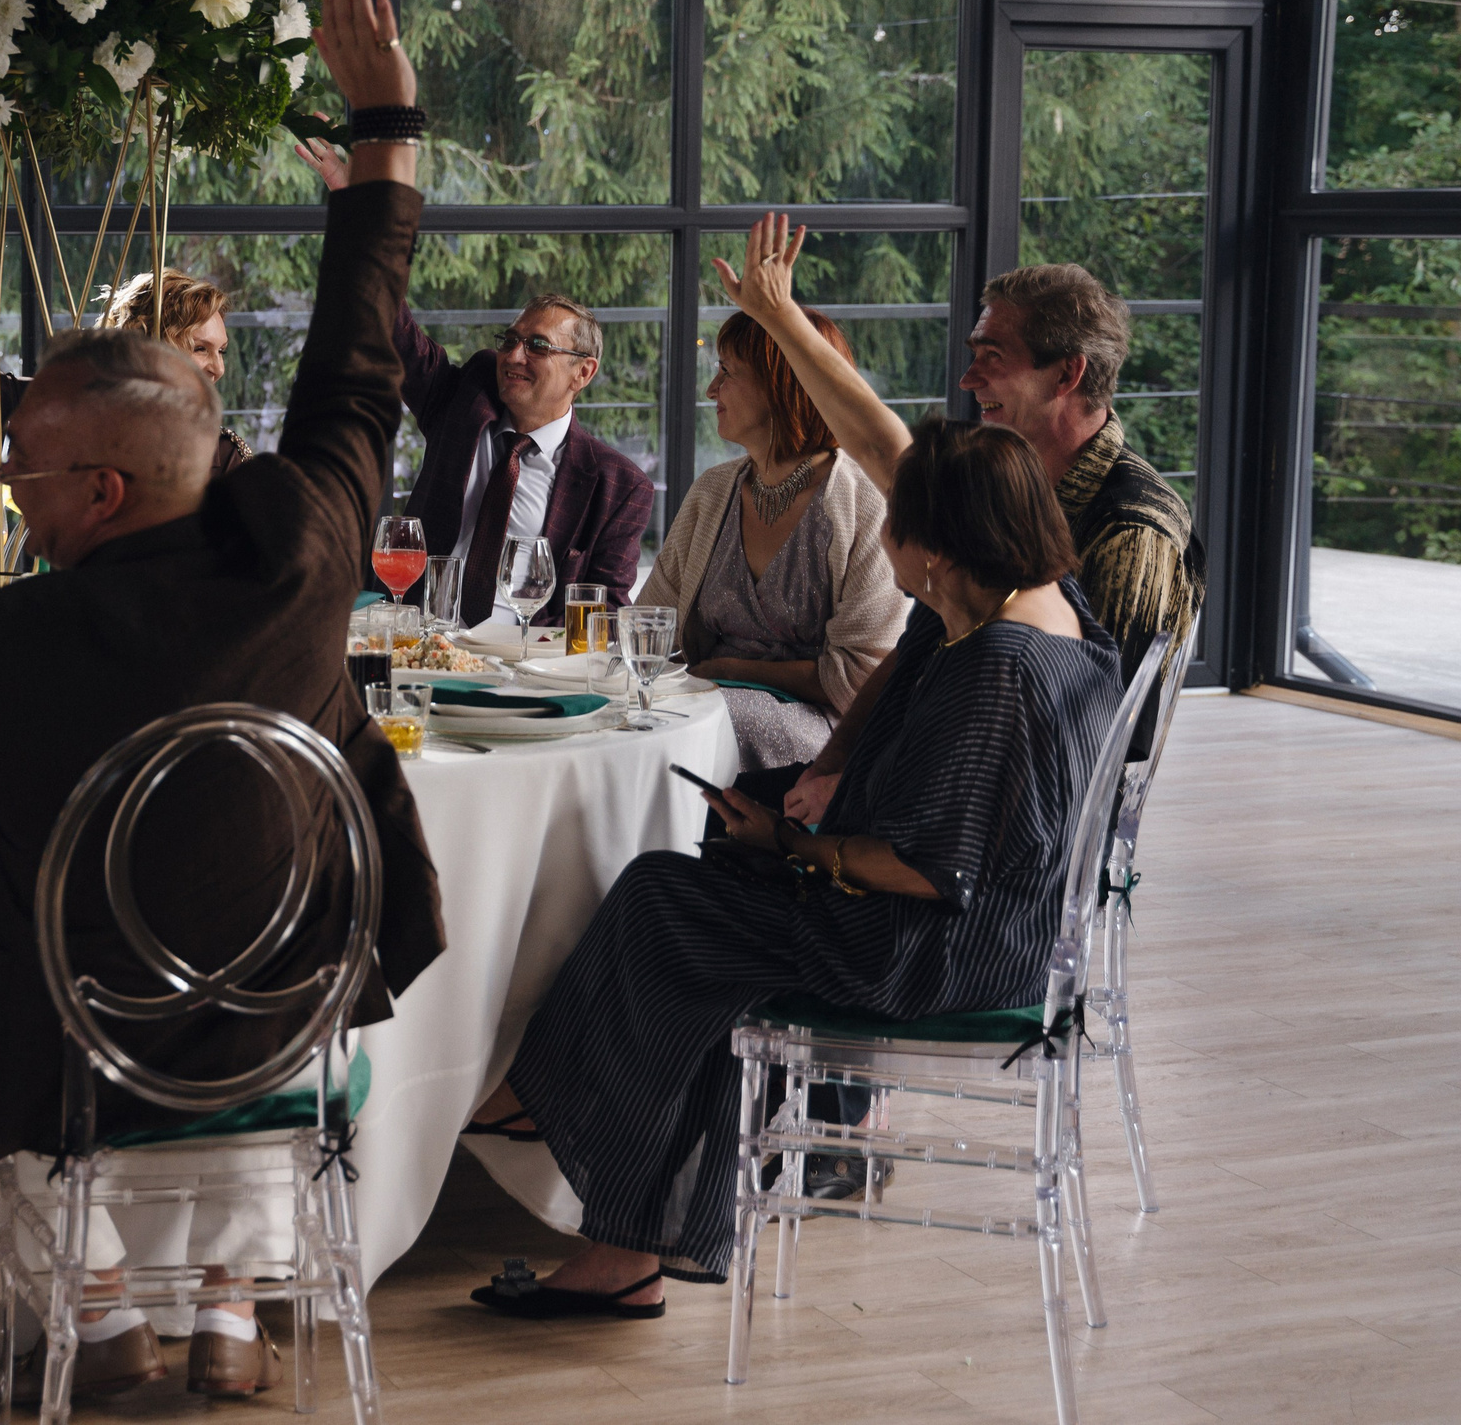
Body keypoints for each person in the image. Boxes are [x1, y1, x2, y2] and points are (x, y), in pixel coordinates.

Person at [0, 0, 447, 1402]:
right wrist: (388, 120)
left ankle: (95, 1299)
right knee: (252, 995)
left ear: (105, 486)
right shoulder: (308, 556)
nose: (11, 489)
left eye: (26, 475)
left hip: (76, 1040)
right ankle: (232, 1313)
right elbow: (359, 362)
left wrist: (69, 924)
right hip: (288, 1008)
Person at [464, 418, 1123, 1316]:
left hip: (938, 946)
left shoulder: (999, 667)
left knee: (663, 902)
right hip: (1003, 926)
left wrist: (794, 848)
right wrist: (796, 811)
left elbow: (931, 870)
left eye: (895, 521)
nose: (882, 537)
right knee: (707, 921)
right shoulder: (1043, 610)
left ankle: (540, 1116)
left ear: (937, 548)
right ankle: (618, 1241)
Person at [711, 214, 1204, 824]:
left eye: (992, 358)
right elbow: (874, 443)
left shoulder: (1132, 532)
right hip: (908, 780)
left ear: (1067, 373)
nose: (968, 380)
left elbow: (1085, 744)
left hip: (971, 827)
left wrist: (859, 802)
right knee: (687, 810)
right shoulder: (999, 479)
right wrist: (831, 767)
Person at [296, 143, 652, 623]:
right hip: (420, 638)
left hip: (524, 665)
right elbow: (392, 331)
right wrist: (366, 209)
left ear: (582, 372)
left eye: (538, 346)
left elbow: (604, 608)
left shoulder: (619, 485)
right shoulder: (465, 402)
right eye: (511, 339)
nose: (514, 356)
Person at [635, 308, 907, 771]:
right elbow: (648, 628)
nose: (711, 389)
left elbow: (860, 677)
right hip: (695, 711)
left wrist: (728, 672)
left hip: (814, 737)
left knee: (669, 736)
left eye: (727, 371)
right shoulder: (712, 491)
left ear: (783, 382)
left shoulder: (864, 503)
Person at [0, 167, 253, 479]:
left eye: (220, 351)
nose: (217, 368)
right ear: (143, 346)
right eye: (199, 348)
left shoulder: (226, 460)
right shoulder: (59, 416)